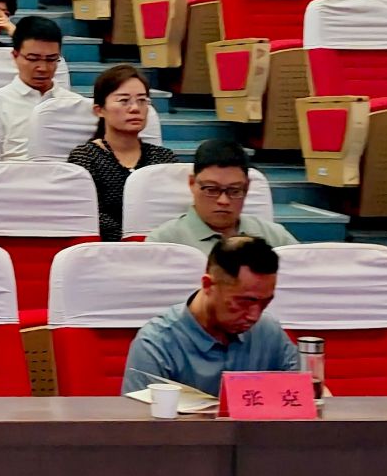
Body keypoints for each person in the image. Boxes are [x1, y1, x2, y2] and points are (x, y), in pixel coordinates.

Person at [120, 236, 299, 396]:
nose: (255, 316)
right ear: (208, 285)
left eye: (265, 303)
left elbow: (305, 397)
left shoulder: (268, 332)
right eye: (244, 302)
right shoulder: (156, 344)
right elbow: (138, 421)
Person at [70, 64, 178, 240]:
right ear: (99, 110)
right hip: (106, 247)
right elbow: (88, 213)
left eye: (142, 100)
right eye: (124, 101)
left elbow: (174, 210)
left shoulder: (164, 158)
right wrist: (131, 239)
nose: (135, 108)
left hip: (160, 245)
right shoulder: (85, 157)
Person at [148, 140, 299, 251]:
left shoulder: (276, 238)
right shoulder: (164, 242)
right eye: (211, 190)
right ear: (192, 183)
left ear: (247, 187)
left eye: (234, 191)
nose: (223, 201)